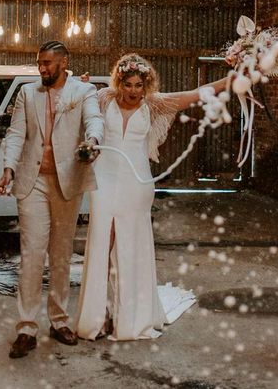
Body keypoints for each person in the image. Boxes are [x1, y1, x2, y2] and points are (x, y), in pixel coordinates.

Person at [75, 54, 228, 342]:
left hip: (136, 183)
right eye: (128, 84)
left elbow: (195, 95)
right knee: (100, 245)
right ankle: (99, 316)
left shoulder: (154, 104)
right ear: (119, 82)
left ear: (146, 85)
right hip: (103, 181)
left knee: (130, 248)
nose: (133, 91)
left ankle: (130, 317)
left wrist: (231, 80)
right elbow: (76, 105)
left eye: (138, 85)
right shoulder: (103, 98)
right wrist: (78, 86)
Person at [0, 40, 104, 359]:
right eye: (39, 63)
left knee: (60, 254)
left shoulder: (83, 92)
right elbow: (16, 134)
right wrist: (8, 168)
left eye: (47, 63)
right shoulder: (28, 94)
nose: (42, 68)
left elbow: (94, 120)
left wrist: (93, 140)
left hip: (66, 181)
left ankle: (59, 321)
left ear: (64, 62)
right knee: (31, 254)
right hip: (32, 183)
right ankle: (27, 327)